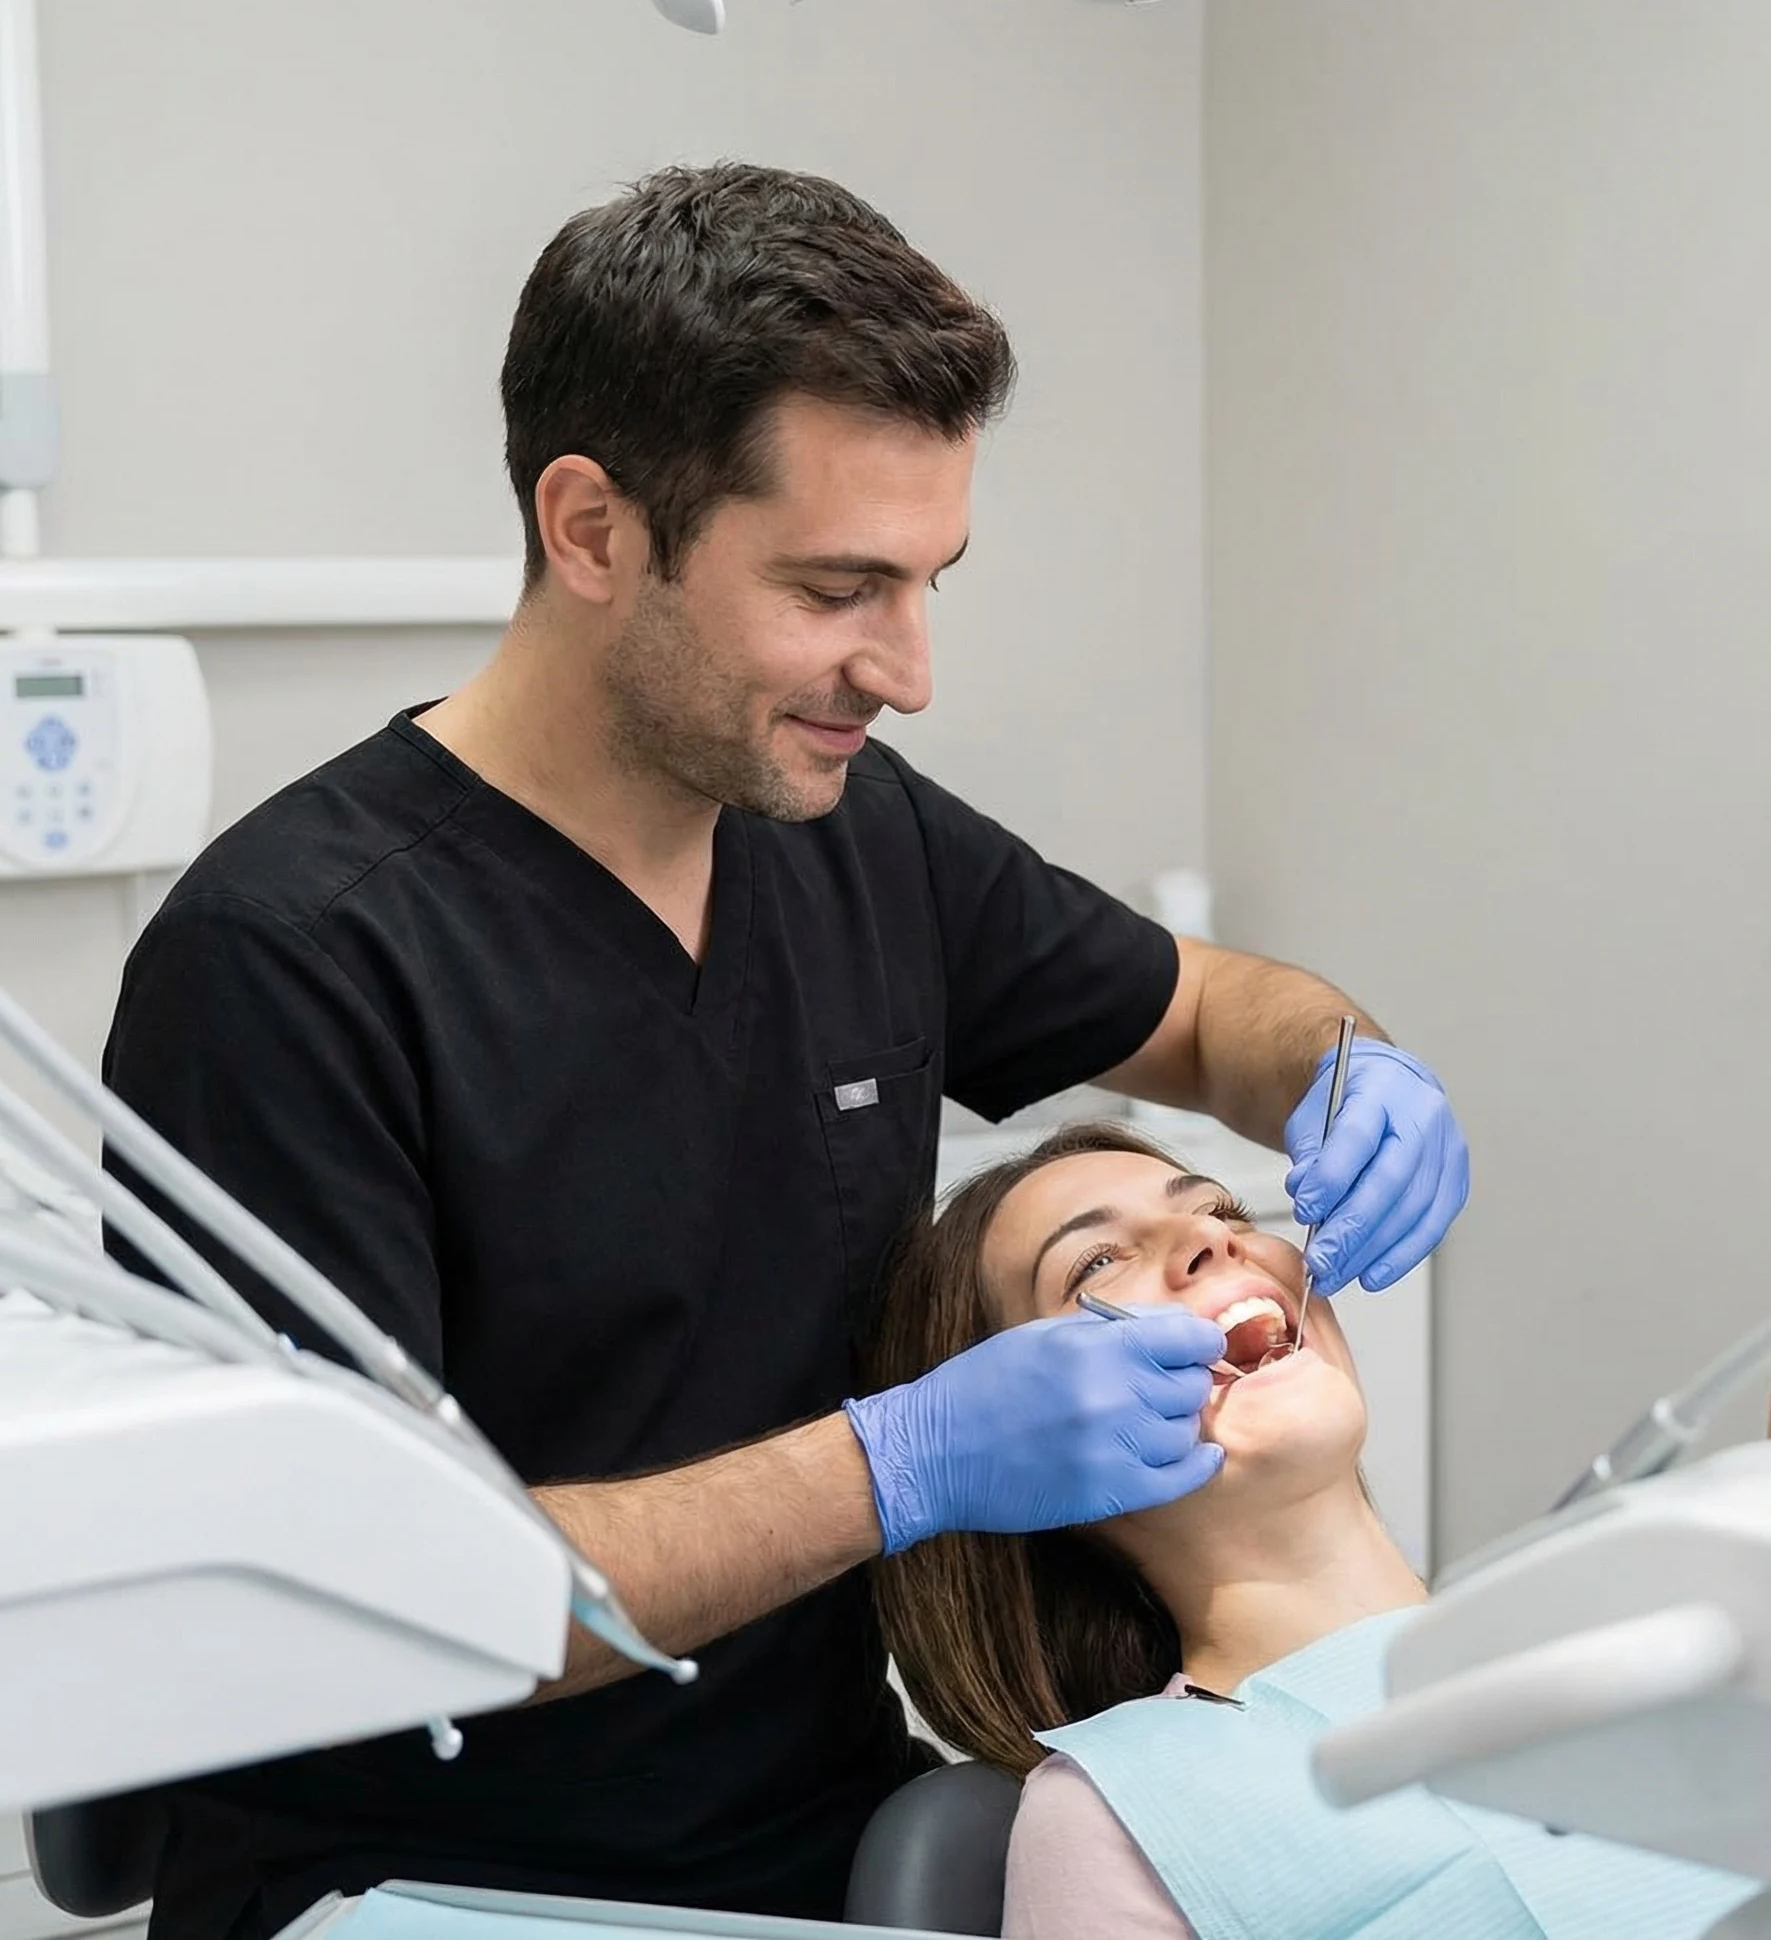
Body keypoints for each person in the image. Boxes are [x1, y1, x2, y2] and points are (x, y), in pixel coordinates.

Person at [100, 163, 1471, 1938]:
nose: (903, 667)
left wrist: (1344, 1066)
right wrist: (898, 1460)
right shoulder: (291, 965)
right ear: (592, 529)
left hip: (826, 1837)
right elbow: (354, 1608)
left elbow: (1209, 1012)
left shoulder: (844, 832)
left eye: (925, 580)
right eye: (838, 587)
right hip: (423, 1887)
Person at [872, 1124, 1771, 1940]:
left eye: (1213, 1204)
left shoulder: (1630, 1631)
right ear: (1020, 1447)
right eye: (1092, 1266)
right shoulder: (1117, 1810)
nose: (1208, 1238)